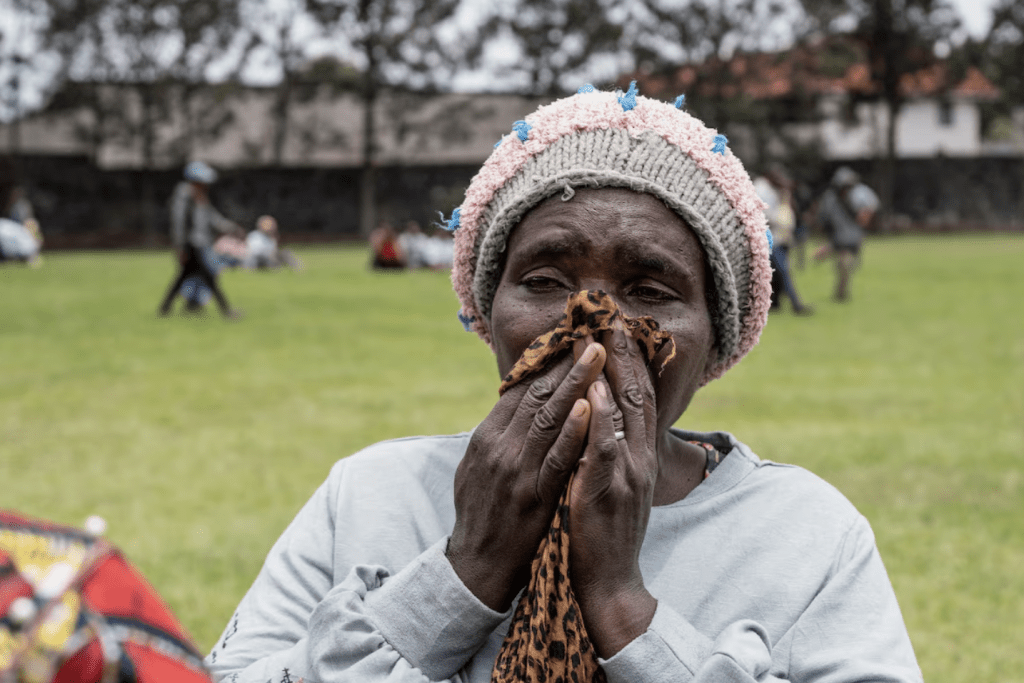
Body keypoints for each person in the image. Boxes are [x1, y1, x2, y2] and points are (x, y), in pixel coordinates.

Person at [207, 86, 922, 682]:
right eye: (544, 280)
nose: (593, 322)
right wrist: (463, 573)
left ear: (715, 344)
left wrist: (622, 604)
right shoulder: (368, 496)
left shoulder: (806, 537)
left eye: (650, 288)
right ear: (489, 312)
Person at [157, 161, 243, 319]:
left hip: (200, 244)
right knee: (209, 276)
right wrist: (179, 246)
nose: (206, 185)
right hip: (191, 245)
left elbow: (213, 218)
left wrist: (231, 228)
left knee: (183, 278)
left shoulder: (200, 197)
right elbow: (178, 223)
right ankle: (226, 311)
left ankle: (170, 308)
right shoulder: (184, 196)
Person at [753, 166, 813, 315]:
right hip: (771, 238)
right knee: (783, 271)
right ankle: (796, 305)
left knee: (776, 273)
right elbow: (764, 214)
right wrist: (780, 221)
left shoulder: (773, 190)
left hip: (779, 237)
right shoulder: (761, 190)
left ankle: (775, 304)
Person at [815, 166, 879, 302]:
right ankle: (841, 293)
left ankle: (841, 292)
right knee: (843, 264)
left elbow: (869, 210)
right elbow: (824, 219)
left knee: (846, 264)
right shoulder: (830, 198)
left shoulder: (860, 194)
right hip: (838, 238)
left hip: (853, 238)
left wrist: (864, 218)